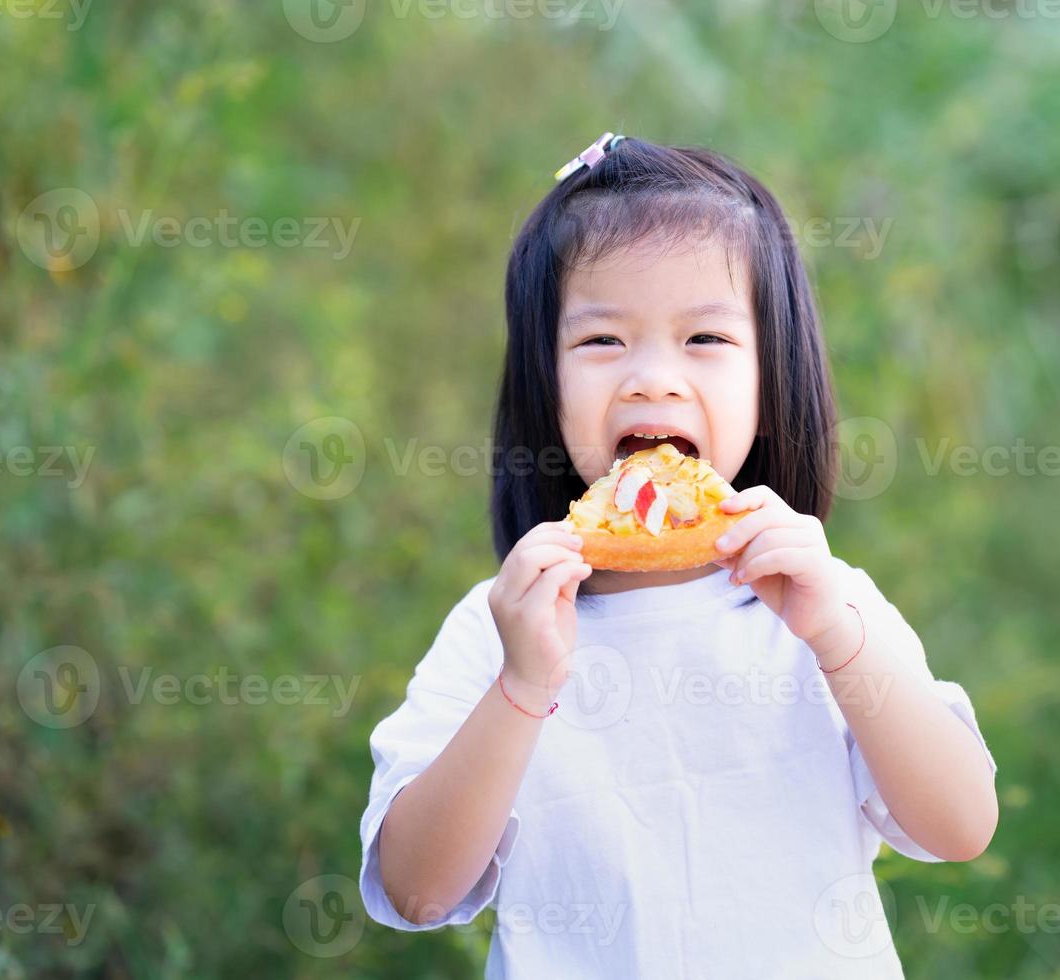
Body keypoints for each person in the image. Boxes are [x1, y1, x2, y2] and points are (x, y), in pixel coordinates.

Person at [358, 132, 998, 978]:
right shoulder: (500, 628)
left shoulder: (827, 608)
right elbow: (418, 892)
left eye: (705, 340)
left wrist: (839, 638)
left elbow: (959, 826)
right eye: (601, 342)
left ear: (775, 387)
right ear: (540, 391)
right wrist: (521, 687)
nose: (651, 380)